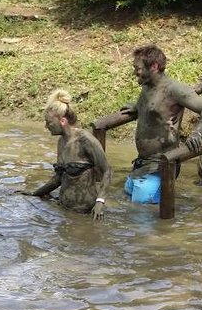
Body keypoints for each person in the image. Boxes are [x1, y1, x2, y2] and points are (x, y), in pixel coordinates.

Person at [93, 44, 202, 204]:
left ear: (154, 67)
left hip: (161, 165)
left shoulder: (175, 89)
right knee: (129, 207)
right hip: (142, 164)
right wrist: (138, 107)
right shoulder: (147, 86)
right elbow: (156, 107)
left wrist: (197, 133)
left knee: (142, 218)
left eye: (137, 68)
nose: (134, 72)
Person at [22, 89, 111, 220]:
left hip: (86, 214)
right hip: (64, 211)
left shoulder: (85, 140)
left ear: (62, 121)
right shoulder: (61, 141)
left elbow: (107, 171)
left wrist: (100, 201)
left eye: (49, 122)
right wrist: (35, 193)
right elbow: (59, 178)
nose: (46, 126)